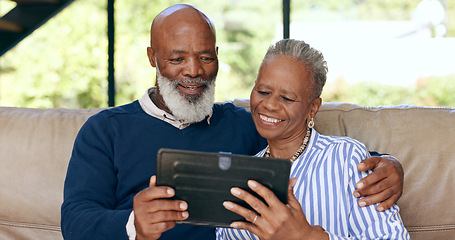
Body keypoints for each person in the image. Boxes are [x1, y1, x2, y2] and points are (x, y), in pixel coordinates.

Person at [61, 4, 404, 240]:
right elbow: (74, 219)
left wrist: (384, 164)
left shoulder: (244, 125)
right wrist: (133, 225)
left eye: (205, 57)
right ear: (153, 57)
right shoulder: (105, 129)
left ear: (217, 58)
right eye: (177, 58)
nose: (193, 70)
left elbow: (302, 147)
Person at [216, 39, 410, 239]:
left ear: (313, 108)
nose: (270, 105)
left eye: (287, 98)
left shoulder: (346, 159)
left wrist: (307, 237)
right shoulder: (240, 177)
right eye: (263, 92)